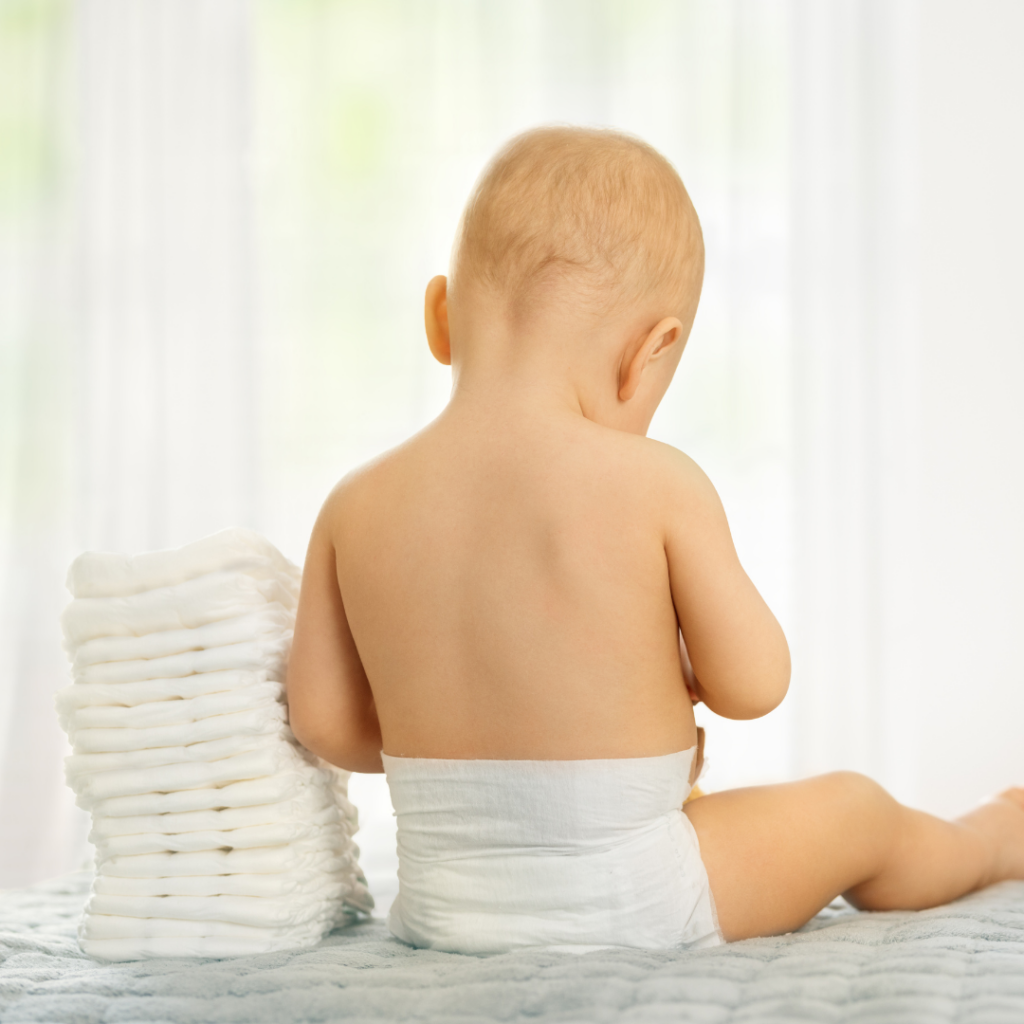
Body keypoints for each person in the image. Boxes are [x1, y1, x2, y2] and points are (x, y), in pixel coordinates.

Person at [286, 126, 1024, 953]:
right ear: (649, 353)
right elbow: (755, 681)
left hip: (445, 906)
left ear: (440, 317)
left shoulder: (355, 504)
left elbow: (326, 721)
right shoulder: (658, 482)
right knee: (856, 811)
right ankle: (992, 841)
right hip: (633, 895)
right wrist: (669, 686)